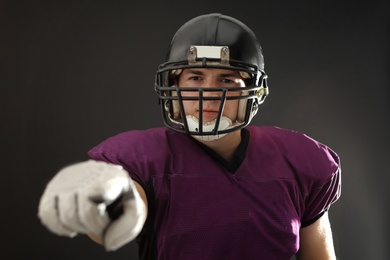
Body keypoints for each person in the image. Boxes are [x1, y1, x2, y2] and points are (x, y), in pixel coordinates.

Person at [38, 13, 341, 260]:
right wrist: (106, 200)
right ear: (174, 86)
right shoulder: (143, 158)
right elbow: (126, 205)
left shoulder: (298, 162)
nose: (209, 93)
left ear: (254, 92)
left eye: (226, 79)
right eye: (195, 77)